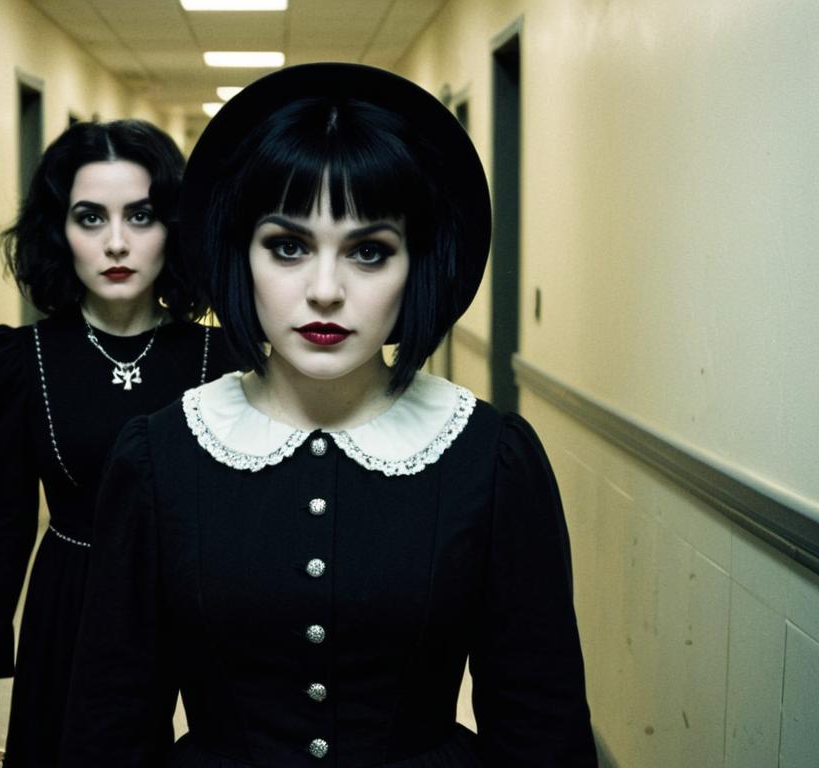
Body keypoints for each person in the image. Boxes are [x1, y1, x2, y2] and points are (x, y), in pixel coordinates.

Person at [62, 65, 596, 766]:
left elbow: (541, 722)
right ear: (241, 256)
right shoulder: (159, 456)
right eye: (288, 247)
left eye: (369, 252)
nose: (324, 291)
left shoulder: (488, 457)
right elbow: (110, 722)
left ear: (415, 266)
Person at [0, 119, 233, 766]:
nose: (116, 243)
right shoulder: (24, 359)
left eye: (140, 216)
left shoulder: (221, 358)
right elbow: (5, 516)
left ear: (173, 228)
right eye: (90, 218)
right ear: (60, 232)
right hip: (72, 595)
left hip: (197, 601)